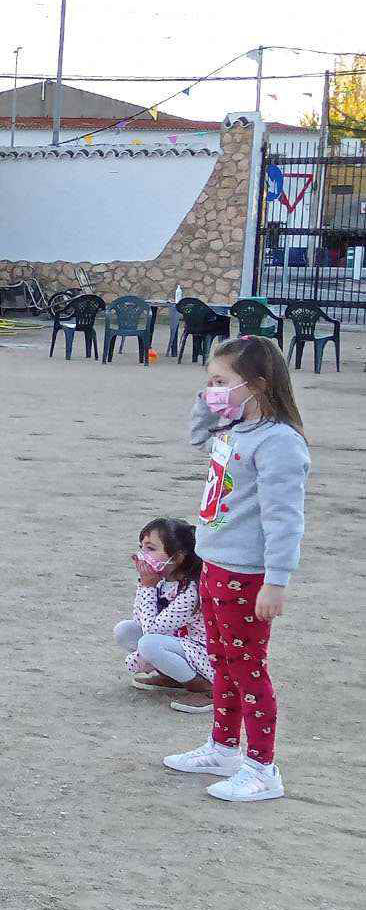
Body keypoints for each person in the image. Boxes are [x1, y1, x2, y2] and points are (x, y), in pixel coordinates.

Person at [164, 336, 310, 803]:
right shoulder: (232, 431)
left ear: (259, 385)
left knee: (248, 670)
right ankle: (223, 747)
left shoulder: (279, 443)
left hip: (248, 573)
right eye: (209, 381)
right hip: (216, 562)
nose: (212, 390)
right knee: (222, 662)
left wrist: (276, 580)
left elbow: (285, 517)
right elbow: (195, 435)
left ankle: (262, 766)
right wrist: (210, 398)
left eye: (222, 382)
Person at [114, 517, 213, 713]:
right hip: (178, 642)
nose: (142, 555)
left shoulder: (191, 590)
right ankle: (174, 676)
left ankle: (205, 687)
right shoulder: (158, 580)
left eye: (150, 549)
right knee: (124, 630)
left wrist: (148, 586)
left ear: (176, 557)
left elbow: (151, 630)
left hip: (204, 653)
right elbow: (140, 620)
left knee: (149, 643)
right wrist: (146, 586)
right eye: (141, 547)